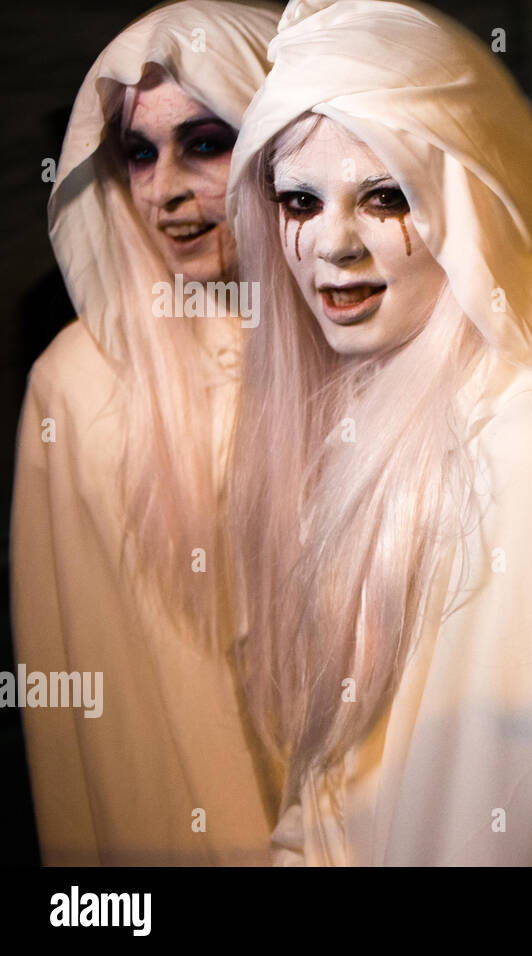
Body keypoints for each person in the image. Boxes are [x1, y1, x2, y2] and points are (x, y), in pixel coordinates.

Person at [225, 0, 532, 865]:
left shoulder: (525, 449)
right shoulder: (368, 407)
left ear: (464, 210)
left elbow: (499, 815)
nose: (335, 245)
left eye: (384, 197)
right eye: (299, 200)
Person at [11, 0, 278, 866]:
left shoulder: (367, 345)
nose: (165, 191)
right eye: (139, 152)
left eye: (205, 141)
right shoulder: (75, 384)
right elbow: (75, 687)